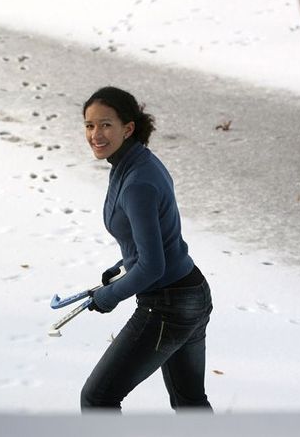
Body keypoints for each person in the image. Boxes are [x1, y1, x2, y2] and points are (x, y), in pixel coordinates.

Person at [80, 86, 213, 412]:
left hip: (168, 305)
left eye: (106, 124)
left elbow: (153, 266)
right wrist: (122, 266)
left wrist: (107, 298)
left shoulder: (137, 180)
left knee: (97, 399)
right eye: (89, 125)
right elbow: (154, 240)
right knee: (190, 402)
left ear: (128, 128)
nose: (96, 134)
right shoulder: (135, 163)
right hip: (190, 293)